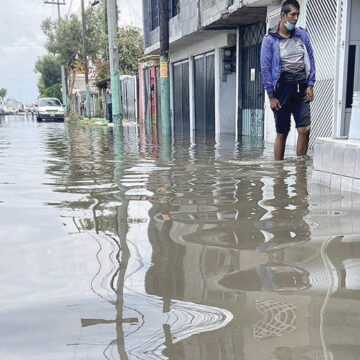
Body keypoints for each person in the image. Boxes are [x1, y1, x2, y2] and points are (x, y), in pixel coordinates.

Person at [260, 0, 316, 160]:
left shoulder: (302, 35)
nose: (296, 18)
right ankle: (279, 175)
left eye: (297, 14)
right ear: (283, 16)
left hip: (301, 89)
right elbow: (265, 69)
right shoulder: (269, 40)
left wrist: (310, 84)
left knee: (305, 129)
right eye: (292, 14)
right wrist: (271, 96)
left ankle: (300, 171)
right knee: (282, 133)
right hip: (281, 91)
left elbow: (311, 60)